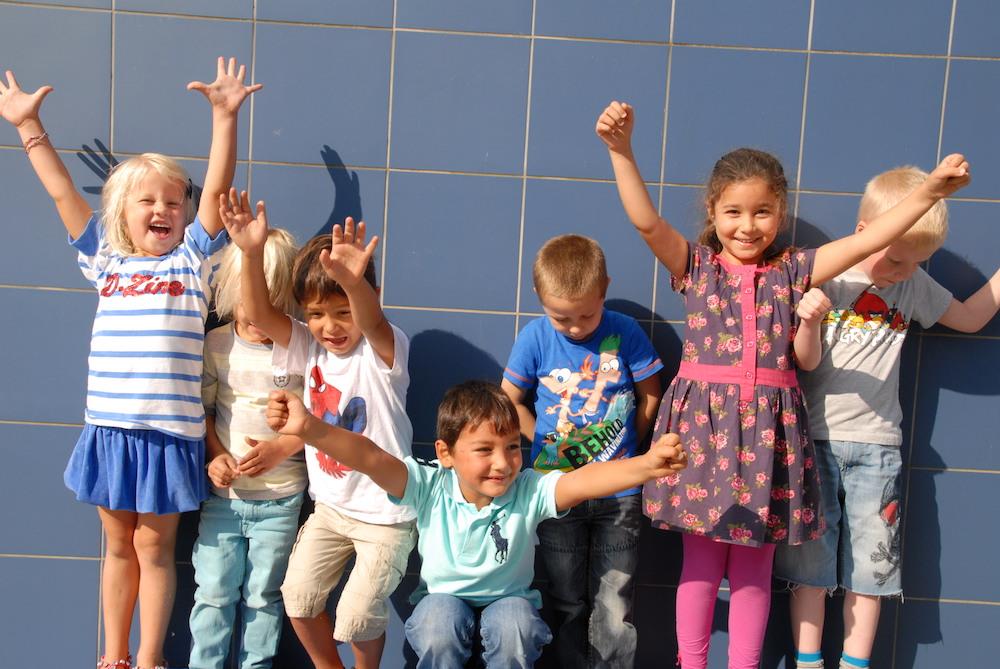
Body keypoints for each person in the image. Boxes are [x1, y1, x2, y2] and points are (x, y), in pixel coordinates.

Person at [595, 100, 970, 669]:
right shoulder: (695, 267)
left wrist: (930, 193)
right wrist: (621, 151)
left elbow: (868, 244)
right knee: (700, 565)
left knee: (754, 570)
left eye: (764, 212)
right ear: (714, 212)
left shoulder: (794, 270)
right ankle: (690, 663)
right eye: (734, 212)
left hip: (770, 437)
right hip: (704, 433)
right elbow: (646, 221)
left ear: (782, 212)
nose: (749, 226)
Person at [0, 58, 258, 669]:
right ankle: (112, 656)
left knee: (155, 547)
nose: (162, 210)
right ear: (122, 212)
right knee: (118, 545)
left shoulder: (191, 263)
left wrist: (225, 118)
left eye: (173, 200)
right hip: (111, 431)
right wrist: (28, 127)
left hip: (170, 436)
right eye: (147, 200)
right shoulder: (106, 263)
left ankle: (147, 659)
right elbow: (63, 190)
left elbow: (217, 191)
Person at [265, 379, 687, 668]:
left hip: (510, 601)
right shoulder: (429, 485)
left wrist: (646, 465)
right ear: (446, 453)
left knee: (514, 625)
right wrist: (311, 428)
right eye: (484, 449)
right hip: (443, 600)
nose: (502, 463)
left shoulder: (527, 489)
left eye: (511, 447)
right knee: (437, 622)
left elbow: (584, 481)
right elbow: (370, 457)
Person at [773, 166, 1000, 669]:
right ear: (863, 233)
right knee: (809, 569)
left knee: (872, 572)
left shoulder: (912, 284)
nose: (900, 272)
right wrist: (808, 320)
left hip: (878, 449)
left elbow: (971, 317)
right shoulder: (825, 275)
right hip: (815, 441)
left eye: (915, 263)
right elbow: (804, 361)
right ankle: (808, 663)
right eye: (894, 258)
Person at [219, 191, 415, 669]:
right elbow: (263, 316)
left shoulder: (383, 351)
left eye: (342, 311)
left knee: (354, 619)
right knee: (299, 600)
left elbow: (371, 320)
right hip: (329, 509)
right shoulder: (307, 346)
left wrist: (354, 285)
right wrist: (249, 252)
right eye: (316, 313)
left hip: (386, 516)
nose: (329, 326)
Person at [501, 233, 663, 667]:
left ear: (604, 289)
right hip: (558, 490)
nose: (574, 327)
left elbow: (650, 391)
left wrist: (634, 447)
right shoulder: (535, 338)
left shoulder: (624, 332)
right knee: (565, 596)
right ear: (539, 298)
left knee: (615, 602)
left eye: (585, 316)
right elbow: (509, 399)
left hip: (618, 493)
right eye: (562, 318)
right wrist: (541, 442)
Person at [188, 227, 307, 669]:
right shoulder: (216, 346)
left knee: (263, 597)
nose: (258, 313)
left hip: (282, 498)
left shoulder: (299, 347)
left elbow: (316, 422)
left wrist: (280, 449)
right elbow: (202, 412)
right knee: (214, 593)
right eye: (248, 299)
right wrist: (216, 455)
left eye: (270, 301)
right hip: (225, 499)